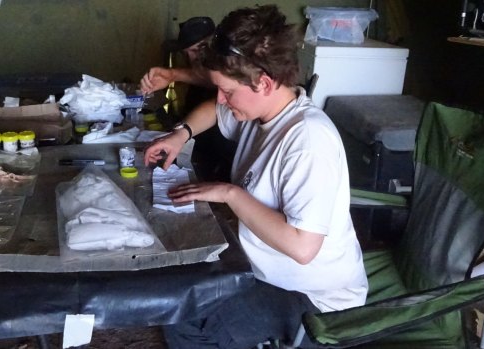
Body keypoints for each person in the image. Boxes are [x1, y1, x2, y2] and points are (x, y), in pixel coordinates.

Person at [143, 5, 368, 348]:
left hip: (315, 300)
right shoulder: (261, 115)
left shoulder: (307, 141)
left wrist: (230, 194)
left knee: (189, 320)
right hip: (264, 270)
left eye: (228, 91)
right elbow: (215, 112)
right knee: (180, 294)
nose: (221, 99)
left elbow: (303, 247)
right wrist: (182, 133)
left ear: (263, 82)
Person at [141, 16, 236, 182]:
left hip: (223, 165)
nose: (193, 57)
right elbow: (207, 82)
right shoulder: (211, 80)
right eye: (187, 52)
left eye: (198, 49)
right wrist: (172, 75)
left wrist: (228, 192)